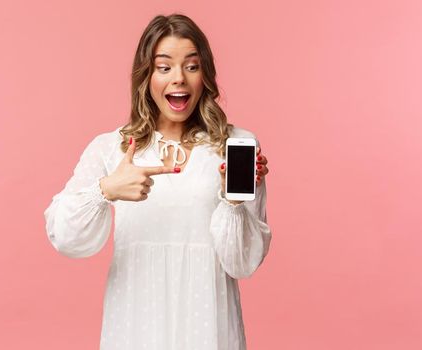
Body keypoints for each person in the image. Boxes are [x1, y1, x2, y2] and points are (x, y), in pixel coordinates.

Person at [44, 13, 272, 350]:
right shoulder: (112, 147)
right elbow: (64, 237)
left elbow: (241, 262)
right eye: (164, 67)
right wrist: (105, 190)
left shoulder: (233, 147)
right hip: (137, 322)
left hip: (207, 325)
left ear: (205, 74)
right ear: (146, 76)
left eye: (191, 66)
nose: (178, 78)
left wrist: (232, 202)